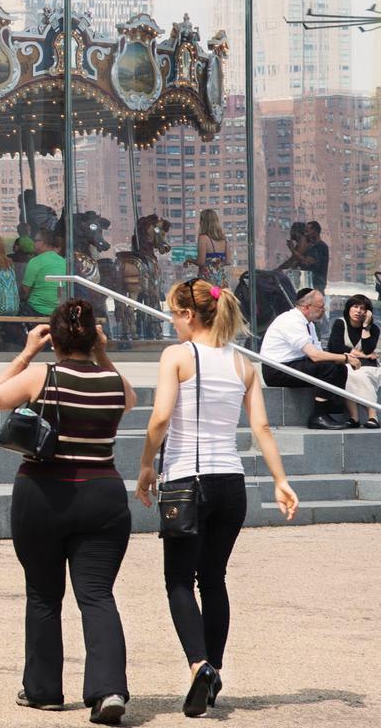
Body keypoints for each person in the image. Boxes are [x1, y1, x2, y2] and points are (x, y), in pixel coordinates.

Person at [134, 279, 300, 717]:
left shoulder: (178, 356)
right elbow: (261, 427)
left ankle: (199, 665)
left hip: (188, 480)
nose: (172, 322)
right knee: (213, 578)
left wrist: (146, 463)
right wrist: (281, 480)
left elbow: (160, 418)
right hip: (231, 483)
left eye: (174, 314)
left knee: (178, 579)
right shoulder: (243, 362)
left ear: (189, 315)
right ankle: (215, 670)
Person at [0, 299, 136, 723]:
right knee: (97, 594)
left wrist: (27, 352)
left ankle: (44, 690)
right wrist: (102, 354)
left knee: (43, 594)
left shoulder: (43, 374)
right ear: (94, 337)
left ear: (55, 339)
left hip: (43, 492)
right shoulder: (113, 381)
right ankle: (109, 690)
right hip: (103, 494)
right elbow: (129, 399)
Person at [261, 289, 355, 429]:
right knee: (329, 368)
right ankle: (318, 417)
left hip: (294, 364)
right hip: (276, 370)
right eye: (320, 307)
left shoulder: (309, 324)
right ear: (306, 307)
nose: (324, 310)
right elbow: (315, 356)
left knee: (338, 367)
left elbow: (319, 353)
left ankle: (330, 409)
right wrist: (345, 357)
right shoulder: (291, 321)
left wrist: (343, 359)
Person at [326, 294, 380, 428]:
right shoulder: (340, 323)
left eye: (362, 308)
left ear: (367, 312)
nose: (358, 311)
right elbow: (336, 347)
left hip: (369, 367)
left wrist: (366, 327)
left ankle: (356, 418)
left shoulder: (373, 329)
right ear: (349, 308)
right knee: (350, 373)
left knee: (359, 374)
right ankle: (371, 416)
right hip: (347, 364)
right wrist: (362, 355)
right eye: (355, 307)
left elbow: (368, 349)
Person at [21, 226, 68, 317]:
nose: (34, 243)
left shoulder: (35, 261)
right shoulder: (64, 262)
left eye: (35, 241)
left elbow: (25, 290)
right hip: (59, 311)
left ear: (42, 243)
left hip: (36, 310)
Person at [195, 209, 229, 289]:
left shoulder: (203, 238)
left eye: (201, 220)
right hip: (222, 281)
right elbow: (228, 261)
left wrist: (189, 260)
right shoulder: (223, 239)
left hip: (208, 282)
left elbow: (201, 262)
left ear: (204, 222)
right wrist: (217, 263)